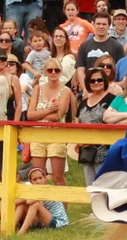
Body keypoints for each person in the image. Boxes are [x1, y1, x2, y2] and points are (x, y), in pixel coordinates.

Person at [27, 59, 73, 188]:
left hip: (56, 136)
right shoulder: (37, 89)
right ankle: (40, 201)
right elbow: (30, 115)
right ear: (45, 72)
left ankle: (62, 202)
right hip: (38, 136)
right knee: (38, 177)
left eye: (56, 70)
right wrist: (49, 110)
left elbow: (58, 116)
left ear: (60, 72)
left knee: (58, 177)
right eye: (50, 70)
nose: (53, 72)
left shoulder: (66, 91)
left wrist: (39, 115)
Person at [77, 68, 116, 184]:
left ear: (105, 81)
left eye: (99, 80)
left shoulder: (113, 100)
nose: (96, 82)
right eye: (92, 81)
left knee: (104, 186)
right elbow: (77, 122)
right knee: (90, 186)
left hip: (104, 150)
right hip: (86, 151)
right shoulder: (83, 103)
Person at [75, 12, 124, 94]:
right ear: (93, 24)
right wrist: (85, 90)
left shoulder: (117, 46)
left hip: (110, 91)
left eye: (104, 24)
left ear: (109, 26)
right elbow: (80, 70)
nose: (101, 26)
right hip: (89, 90)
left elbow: (120, 71)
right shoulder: (84, 46)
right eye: (98, 24)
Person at [14, 167, 68, 234]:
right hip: (44, 218)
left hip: (58, 222)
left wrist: (25, 198)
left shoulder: (46, 189)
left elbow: (28, 201)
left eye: (40, 178)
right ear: (31, 182)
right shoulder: (33, 189)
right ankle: (11, 227)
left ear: (45, 178)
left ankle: (21, 232)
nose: (38, 182)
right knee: (21, 205)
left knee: (35, 204)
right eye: (34, 179)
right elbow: (16, 202)